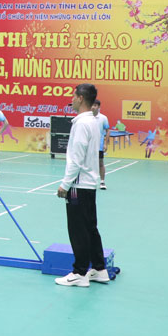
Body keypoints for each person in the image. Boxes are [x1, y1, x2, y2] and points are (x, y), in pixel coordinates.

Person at [55, 83, 111, 287]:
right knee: (90, 227)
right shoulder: (93, 122)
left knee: (78, 229)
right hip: (89, 184)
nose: (71, 99)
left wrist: (65, 184)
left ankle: (79, 273)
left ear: (80, 98)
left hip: (79, 185)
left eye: (73, 95)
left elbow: (76, 158)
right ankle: (99, 268)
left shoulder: (81, 124)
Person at [92, 99, 110, 190]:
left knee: (100, 163)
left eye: (95, 105)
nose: (93, 107)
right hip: (89, 146)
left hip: (99, 145)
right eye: (92, 105)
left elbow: (107, 131)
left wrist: (105, 144)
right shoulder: (87, 117)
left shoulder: (103, 118)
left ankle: (102, 182)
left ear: (98, 107)